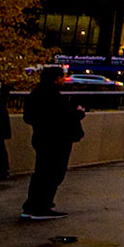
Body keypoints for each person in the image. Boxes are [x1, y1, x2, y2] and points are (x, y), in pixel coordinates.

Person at [22, 66, 85, 220]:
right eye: (62, 77)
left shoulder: (35, 94)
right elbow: (63, 116)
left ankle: (32, 206)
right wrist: (78, 113)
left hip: (41, 138)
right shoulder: (54, 97)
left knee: (41, 172)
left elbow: (28, 117)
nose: (64, 80)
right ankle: (42, 207)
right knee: (53, 173)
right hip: (57, 140)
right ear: (56, 79)